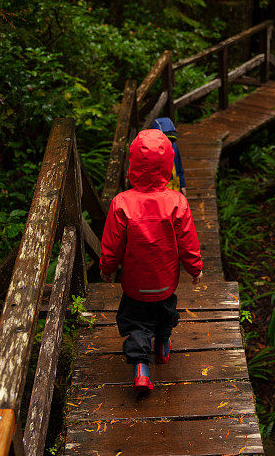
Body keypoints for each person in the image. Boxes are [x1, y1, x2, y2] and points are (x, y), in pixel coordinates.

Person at [99, 129, 203, 391]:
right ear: (168, 163)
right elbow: (188, 241)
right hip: (166, 281)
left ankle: (141, 369)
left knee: (136, 323)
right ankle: (163, 347)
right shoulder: (177, 201)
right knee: (165, 314)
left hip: (134, 285)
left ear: (132, 163)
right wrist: (195, 268)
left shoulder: (121, 203)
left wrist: (107, 269)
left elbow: (111, 245)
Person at [150, 117, 187, 196]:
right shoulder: (153, 152)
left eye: (171, 140)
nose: (169, 143)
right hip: (162, 190)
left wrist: (182, 185)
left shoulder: (175, 147)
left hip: (175, 186)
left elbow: (179, 167)